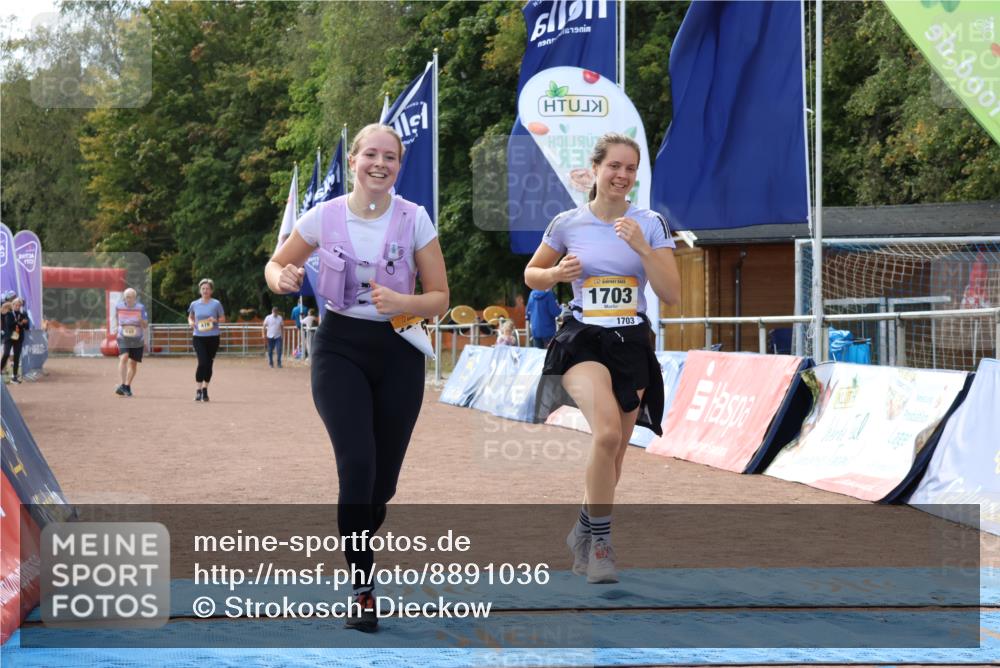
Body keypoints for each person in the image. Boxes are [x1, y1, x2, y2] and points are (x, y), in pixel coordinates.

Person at [265, 123, 449, 632]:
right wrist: (281, 277)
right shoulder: (323, 216)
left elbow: (439, 297)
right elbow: (277, 263)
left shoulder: (414, 218)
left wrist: (406, 302)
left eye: (390, 157)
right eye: (371, 154)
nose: (379, 164)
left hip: (399, 351)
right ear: (354, 162)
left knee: (381, 485)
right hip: (339, 348)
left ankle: (360, 536)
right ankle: (363, 587)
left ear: (398, 165)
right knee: (357, 466)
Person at [525, 132, 681, 584]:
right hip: (582, 339)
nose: (622, 175)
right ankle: (600, 546)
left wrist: (644, 249)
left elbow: (671, 293)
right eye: (614, 166)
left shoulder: (649, 223)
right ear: (595, 170)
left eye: (631, 169)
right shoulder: (567, 223)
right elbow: (533, 275)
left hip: (631, 341)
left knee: (614, 454)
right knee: (608, 431)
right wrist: (555, 273)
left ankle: (581, 530)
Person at [187, 278, 225, 402]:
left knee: (209, 364)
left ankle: (205, 389)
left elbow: (223, 319)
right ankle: (198, 390)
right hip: (198, 337)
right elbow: (190, 316)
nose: (205, 290)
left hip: (213, 337)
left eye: (207, 288)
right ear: (200, 290)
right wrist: (191, 322)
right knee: (202, 362)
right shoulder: (194, 304)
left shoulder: (216, 304)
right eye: (203, 288)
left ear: (211, 291)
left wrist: (215, 320)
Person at [112, 288, 149, 396]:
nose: (129, 299)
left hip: (137, 338)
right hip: (123, 336)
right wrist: (115, 327)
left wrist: (140, 320)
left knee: (133, 363)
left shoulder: (141, 308)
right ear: (124, 297)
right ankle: (123, 384)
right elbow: (115, 317)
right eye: (127, 297)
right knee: (124, 357)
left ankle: (127, 386)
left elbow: (145, 325)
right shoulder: (118, 306)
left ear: (135, 298)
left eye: (131, 297)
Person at [1, 298, 30, 384]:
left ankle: (14, 376)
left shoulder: (22, 314)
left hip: (18, 338)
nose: (17, 307)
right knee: (6, 353)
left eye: (19, 305)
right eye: (16, 305)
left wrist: (25, 323)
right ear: (13, 305)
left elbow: (26, 327)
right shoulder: (9, 314)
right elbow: (9, 325)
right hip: (9, 337)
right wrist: (19, 322)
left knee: (17, 356)